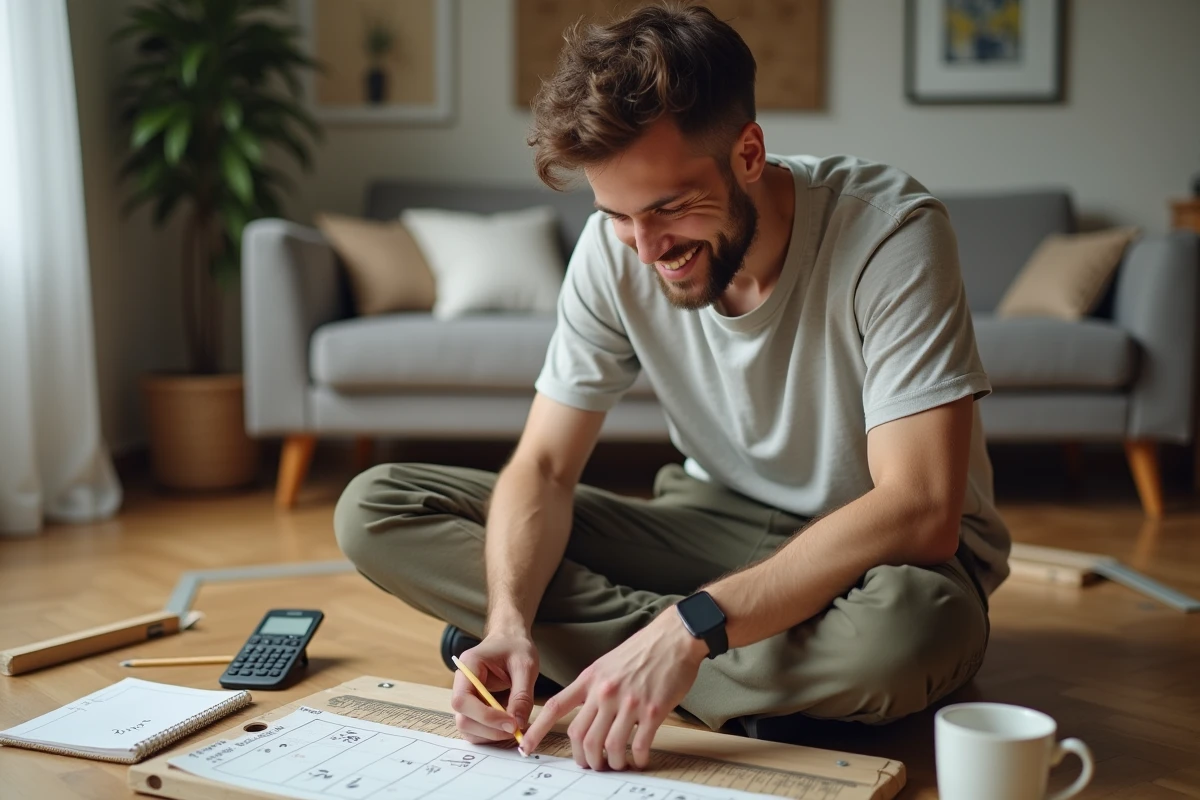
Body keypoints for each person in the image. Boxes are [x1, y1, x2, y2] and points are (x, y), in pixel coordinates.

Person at [334, 1, 1011, 772]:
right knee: (378, 505)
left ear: (749, 153)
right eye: (618, 214)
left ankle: (622, 665)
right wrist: (510, 619)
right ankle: (684, 676)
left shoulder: (891, 233)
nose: (648, 248)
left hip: (884, 556)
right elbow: (546, 468)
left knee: (905, 637)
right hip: (712, 523)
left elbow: (921, 511)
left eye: (670, 208)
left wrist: (686, 629)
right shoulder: (614, 249)